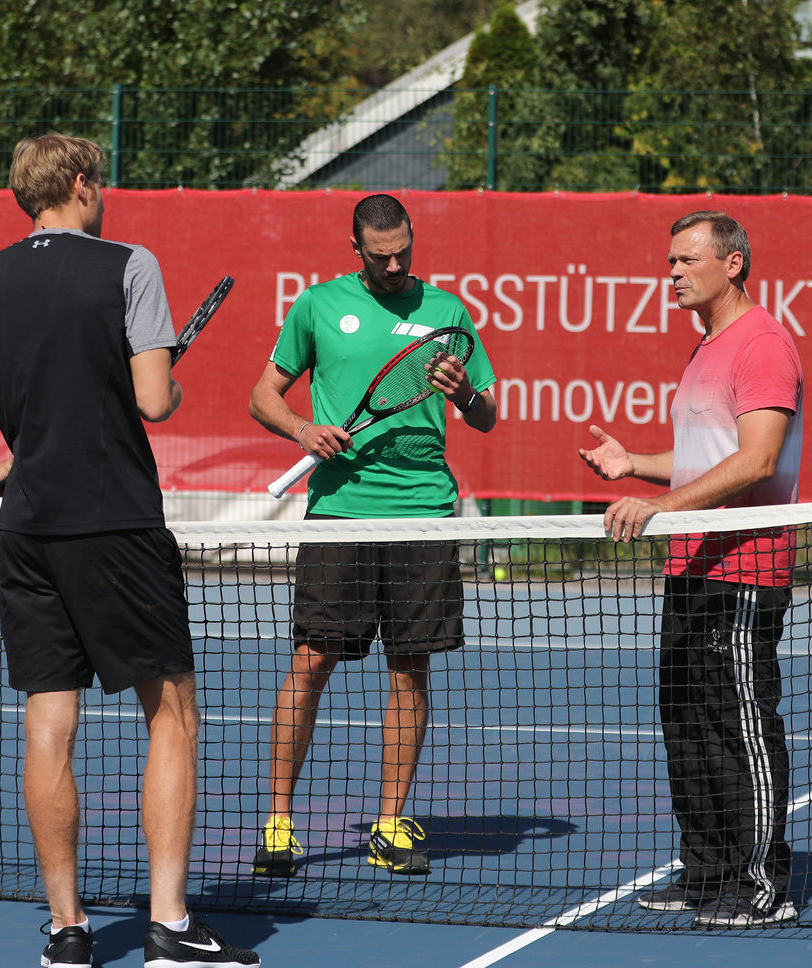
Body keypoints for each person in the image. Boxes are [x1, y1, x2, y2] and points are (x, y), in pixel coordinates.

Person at [0, 133, 259, 968]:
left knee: (48, 725)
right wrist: (167, 383)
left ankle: (67, 930)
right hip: (117, 522)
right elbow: (155, 401)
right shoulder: (130, 265)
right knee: (172, 715)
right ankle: (168, 925)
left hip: (26, 527)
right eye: (102, 183)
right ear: (82, 184)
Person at [248, 193, 497, 878]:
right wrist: (302, 429)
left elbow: (485, 415)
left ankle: (390, 824)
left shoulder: (447, 312)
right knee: (312, 660)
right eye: (380, 255)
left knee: (409, 667)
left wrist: (462, 394)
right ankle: (279, 824)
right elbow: (263, 396)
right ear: (354, 247)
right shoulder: (318, 305)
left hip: (423, 512)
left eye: (403, 252)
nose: (393, 265)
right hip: (341, 513)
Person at [579, 211, 802, 927]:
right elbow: (707, 457)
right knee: (687, 723)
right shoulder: (706, 347)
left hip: (744, 570)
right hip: (692, 567)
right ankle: (707, 873)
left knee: (739, 727)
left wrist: (658, 505)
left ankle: (761, 884)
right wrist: (634, 465)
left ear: (731, 264)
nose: (671, 272)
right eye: (670, 260)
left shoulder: (761, 344)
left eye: (685, 260)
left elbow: (757, 460)